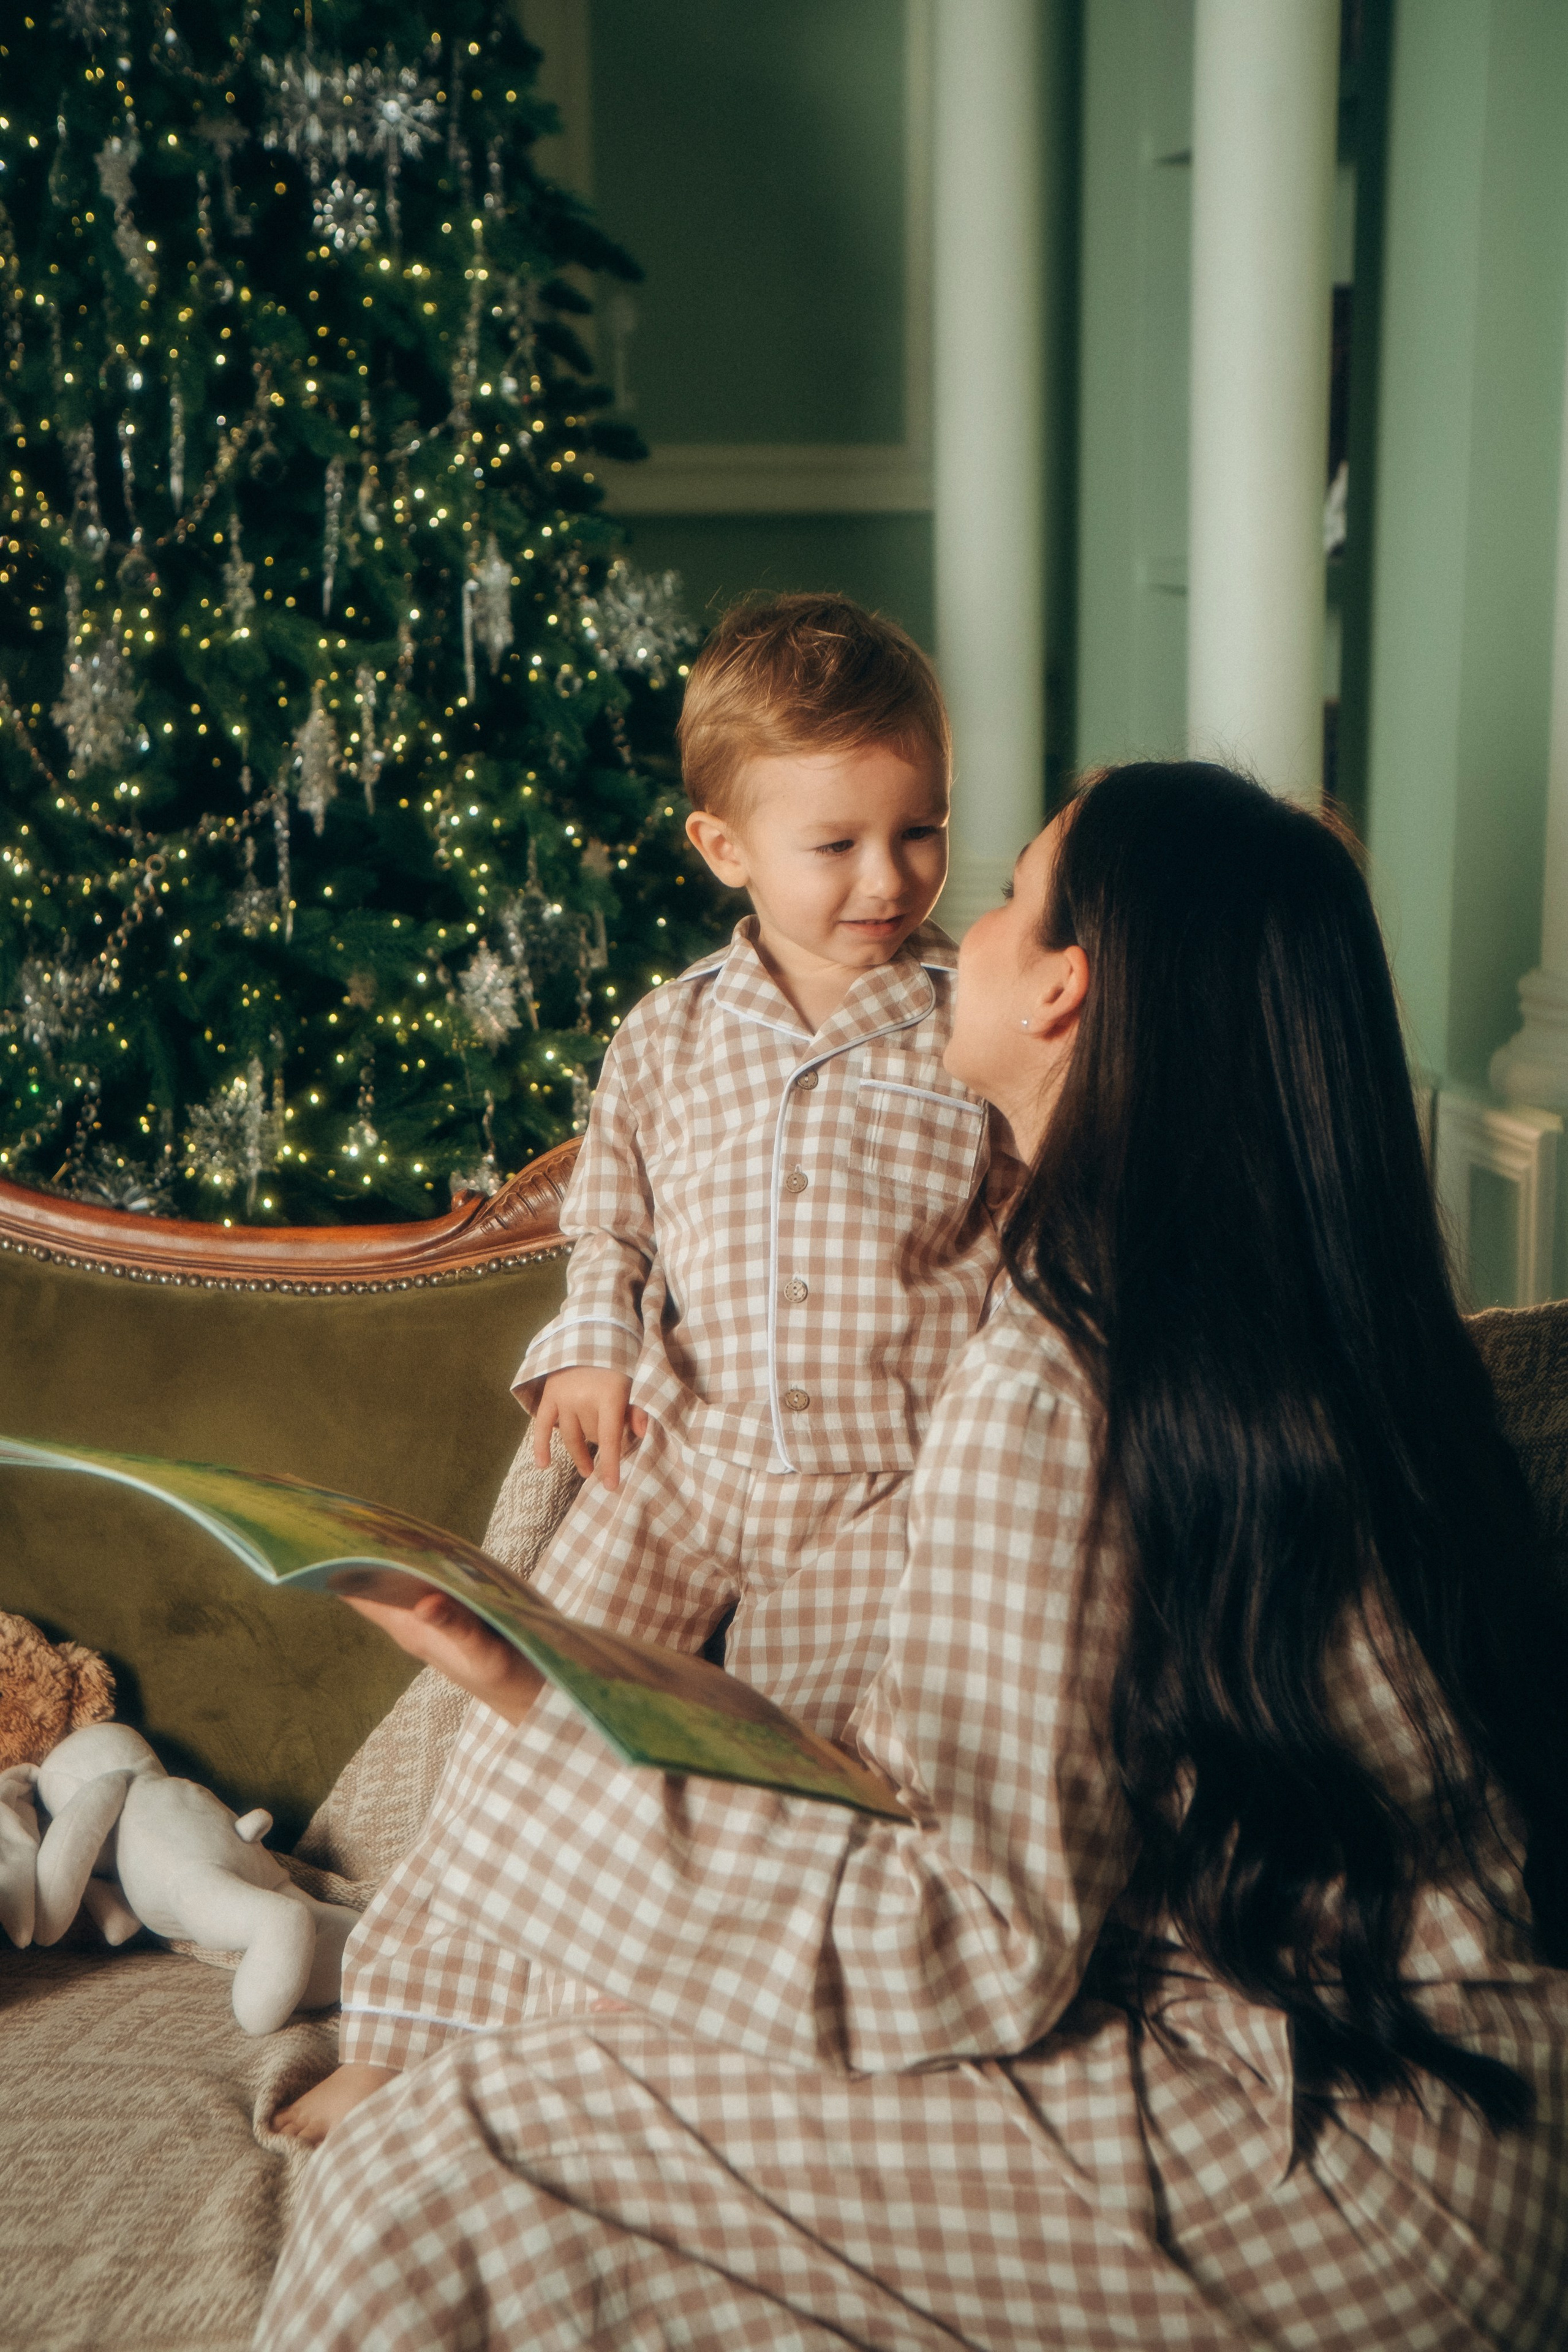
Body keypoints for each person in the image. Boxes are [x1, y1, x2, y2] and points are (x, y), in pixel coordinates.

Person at [260, 763, 1568, 2350]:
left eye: (1010, 894)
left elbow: (970, 1943)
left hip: (1345, 2162)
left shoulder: (1067, 1356)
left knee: (437, 2164)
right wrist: (570, 1677)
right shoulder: (1264, 1289)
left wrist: (549, 1725)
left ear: (1068, 991)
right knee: (535, 2102)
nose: (960, 922)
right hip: (1452, 2109)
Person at [274, 594, 1007, 2145]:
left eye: (921, 832)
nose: (889, 878)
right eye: (838, 845)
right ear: (723, 847)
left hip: (877, 1499)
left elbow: (1032, 1255)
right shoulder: (671, 1036)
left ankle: (642, 2038)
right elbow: (606, 1214)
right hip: (676, 1462)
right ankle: (413, 2032)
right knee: (532, 1722)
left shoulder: (972, 1038)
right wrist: (590, 1349)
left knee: (774, 1773)